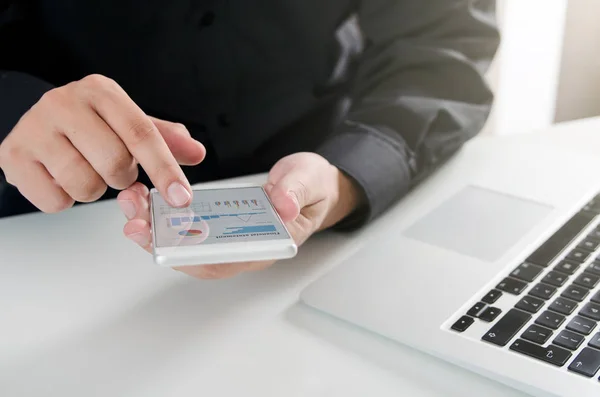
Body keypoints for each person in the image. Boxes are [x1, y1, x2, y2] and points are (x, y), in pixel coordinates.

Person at [0, 0, 500, 279]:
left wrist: (345, 176)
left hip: (321, 212)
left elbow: (442, 43)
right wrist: (17, 112)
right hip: (55, 229)